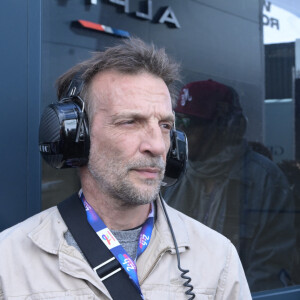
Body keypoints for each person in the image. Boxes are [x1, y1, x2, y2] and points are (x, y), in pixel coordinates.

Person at [0, 39, 251, 299]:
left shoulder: (218, 258)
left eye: (165, 126)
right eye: (130, 122)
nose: (157, 146)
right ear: (75, 137)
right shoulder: (8, 264)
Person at [163, 79, 296, 292]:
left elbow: (268, 272)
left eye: (191, 123)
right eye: (178, 122)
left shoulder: (265, 181)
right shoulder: (172, 176)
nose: (180, 133)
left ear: (224, 127)